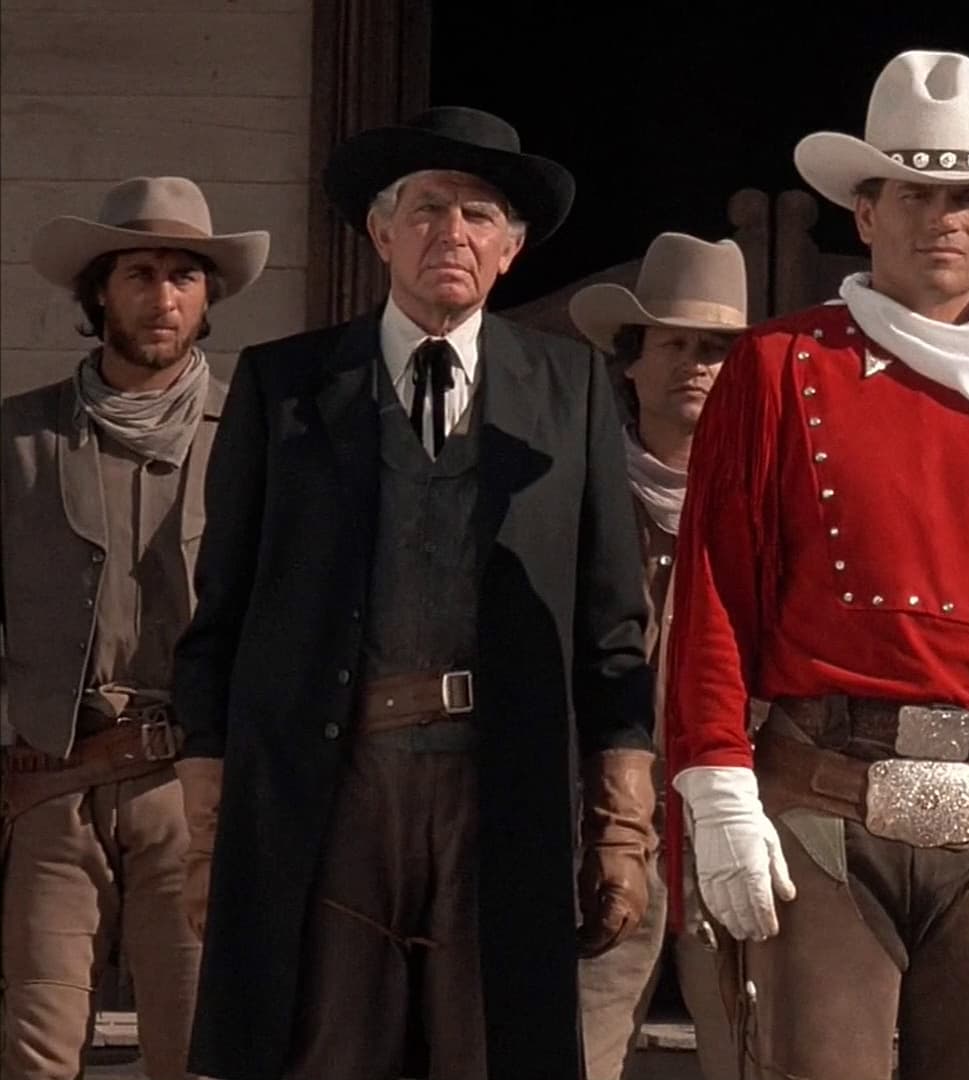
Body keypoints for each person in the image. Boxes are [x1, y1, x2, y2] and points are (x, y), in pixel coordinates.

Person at [662, 49, 969, 1080]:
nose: (944, 219)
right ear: (864, 211)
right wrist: (717, 788)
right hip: (821, 800)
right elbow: (713, 596)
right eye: (915, 194)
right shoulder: (778, 367)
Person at [171, 106, 656, 1080]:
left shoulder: (573, 389)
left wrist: (621, 828)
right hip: (332, 788)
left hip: (501, 790)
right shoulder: (284, 386)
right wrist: (211, 829)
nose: (453, 233)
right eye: (428, 208)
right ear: (381, 232)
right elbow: (219, 614)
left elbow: (612, 624)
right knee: (327, 1050)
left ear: (510, 251)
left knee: (488, 1051)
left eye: (481, 216)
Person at [1, 175, 268, 1080]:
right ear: (99, 293)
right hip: (54, 782)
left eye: (184, 277)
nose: (164, 298)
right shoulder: (20, 440)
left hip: (197, 788)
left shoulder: (254, 437)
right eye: (140, 275)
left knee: (195, 1051)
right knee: (35, 1052)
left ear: (207, 297)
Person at [569, 230, 750, 1080]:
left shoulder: (775, 499)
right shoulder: (578, 489)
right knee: (579, 1045)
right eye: (674, 345)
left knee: (753, 1049)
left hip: (736, 809)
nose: (697, 366)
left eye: (716, 349)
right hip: (606, 813)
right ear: (632, 361)